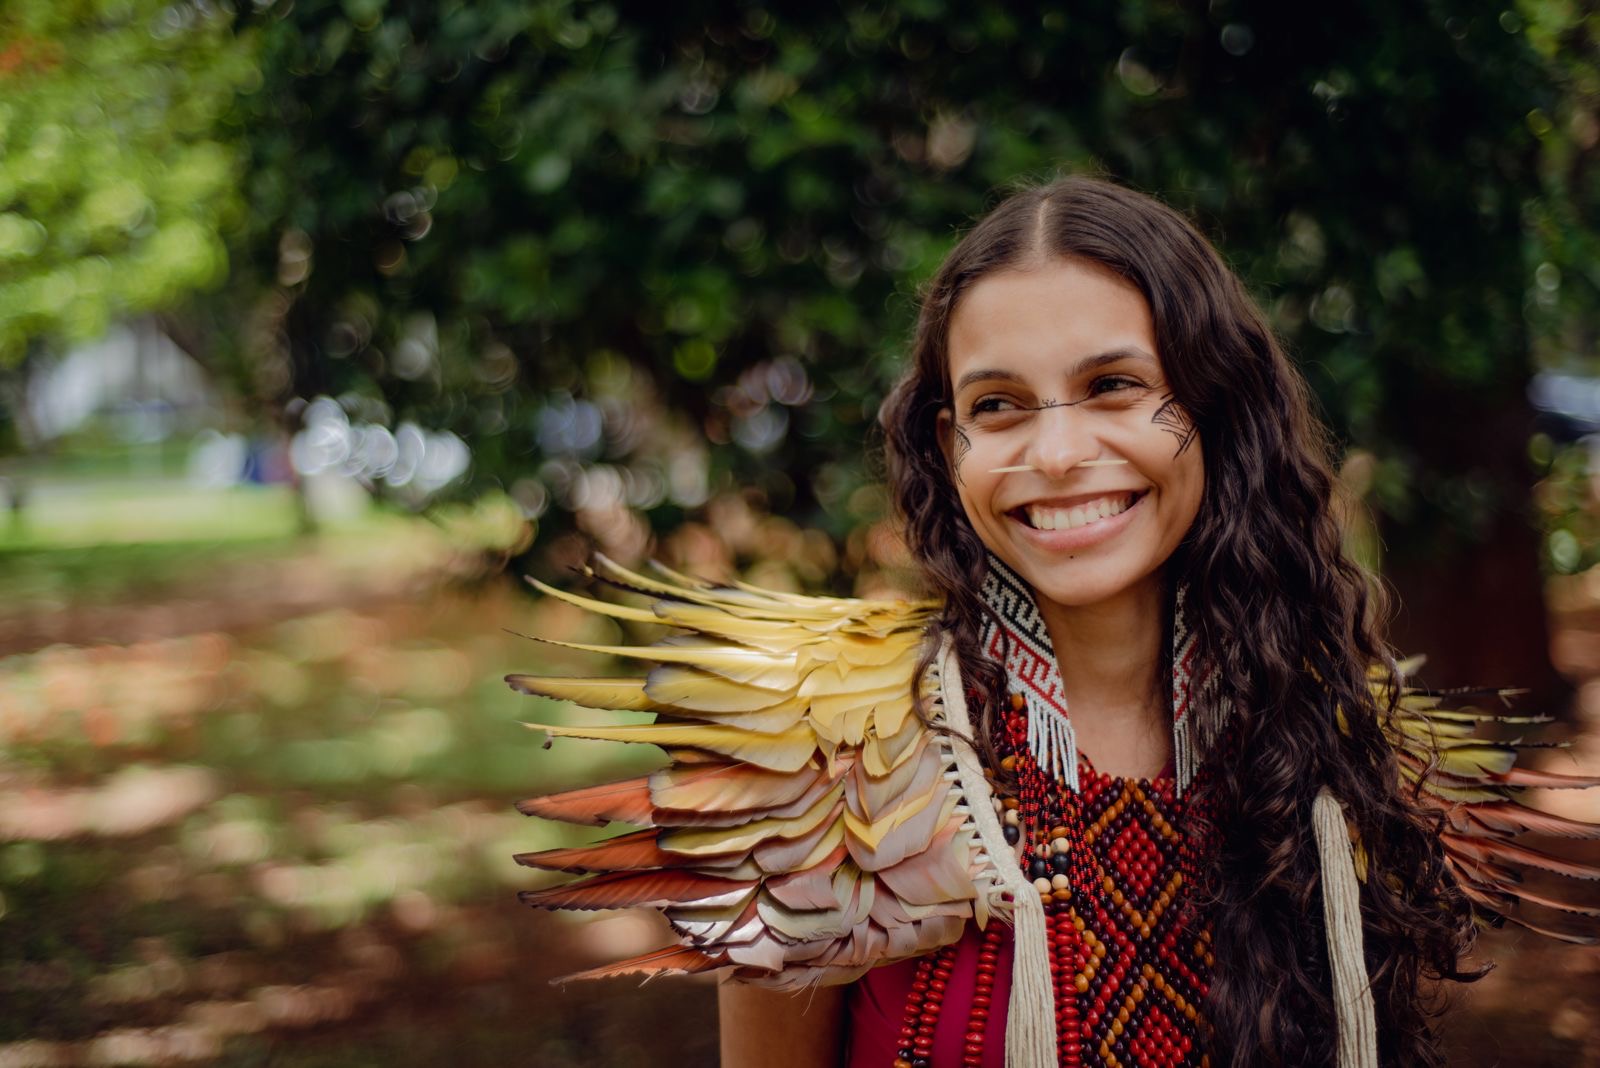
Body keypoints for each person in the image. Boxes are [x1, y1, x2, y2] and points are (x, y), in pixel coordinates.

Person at [511, 176, 1600, 1068]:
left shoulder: (1329, 750)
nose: (1058, 452)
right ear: (948, 449)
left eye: (1115, 385)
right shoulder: (826, 761)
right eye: (998, 405)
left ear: (1216, 410)